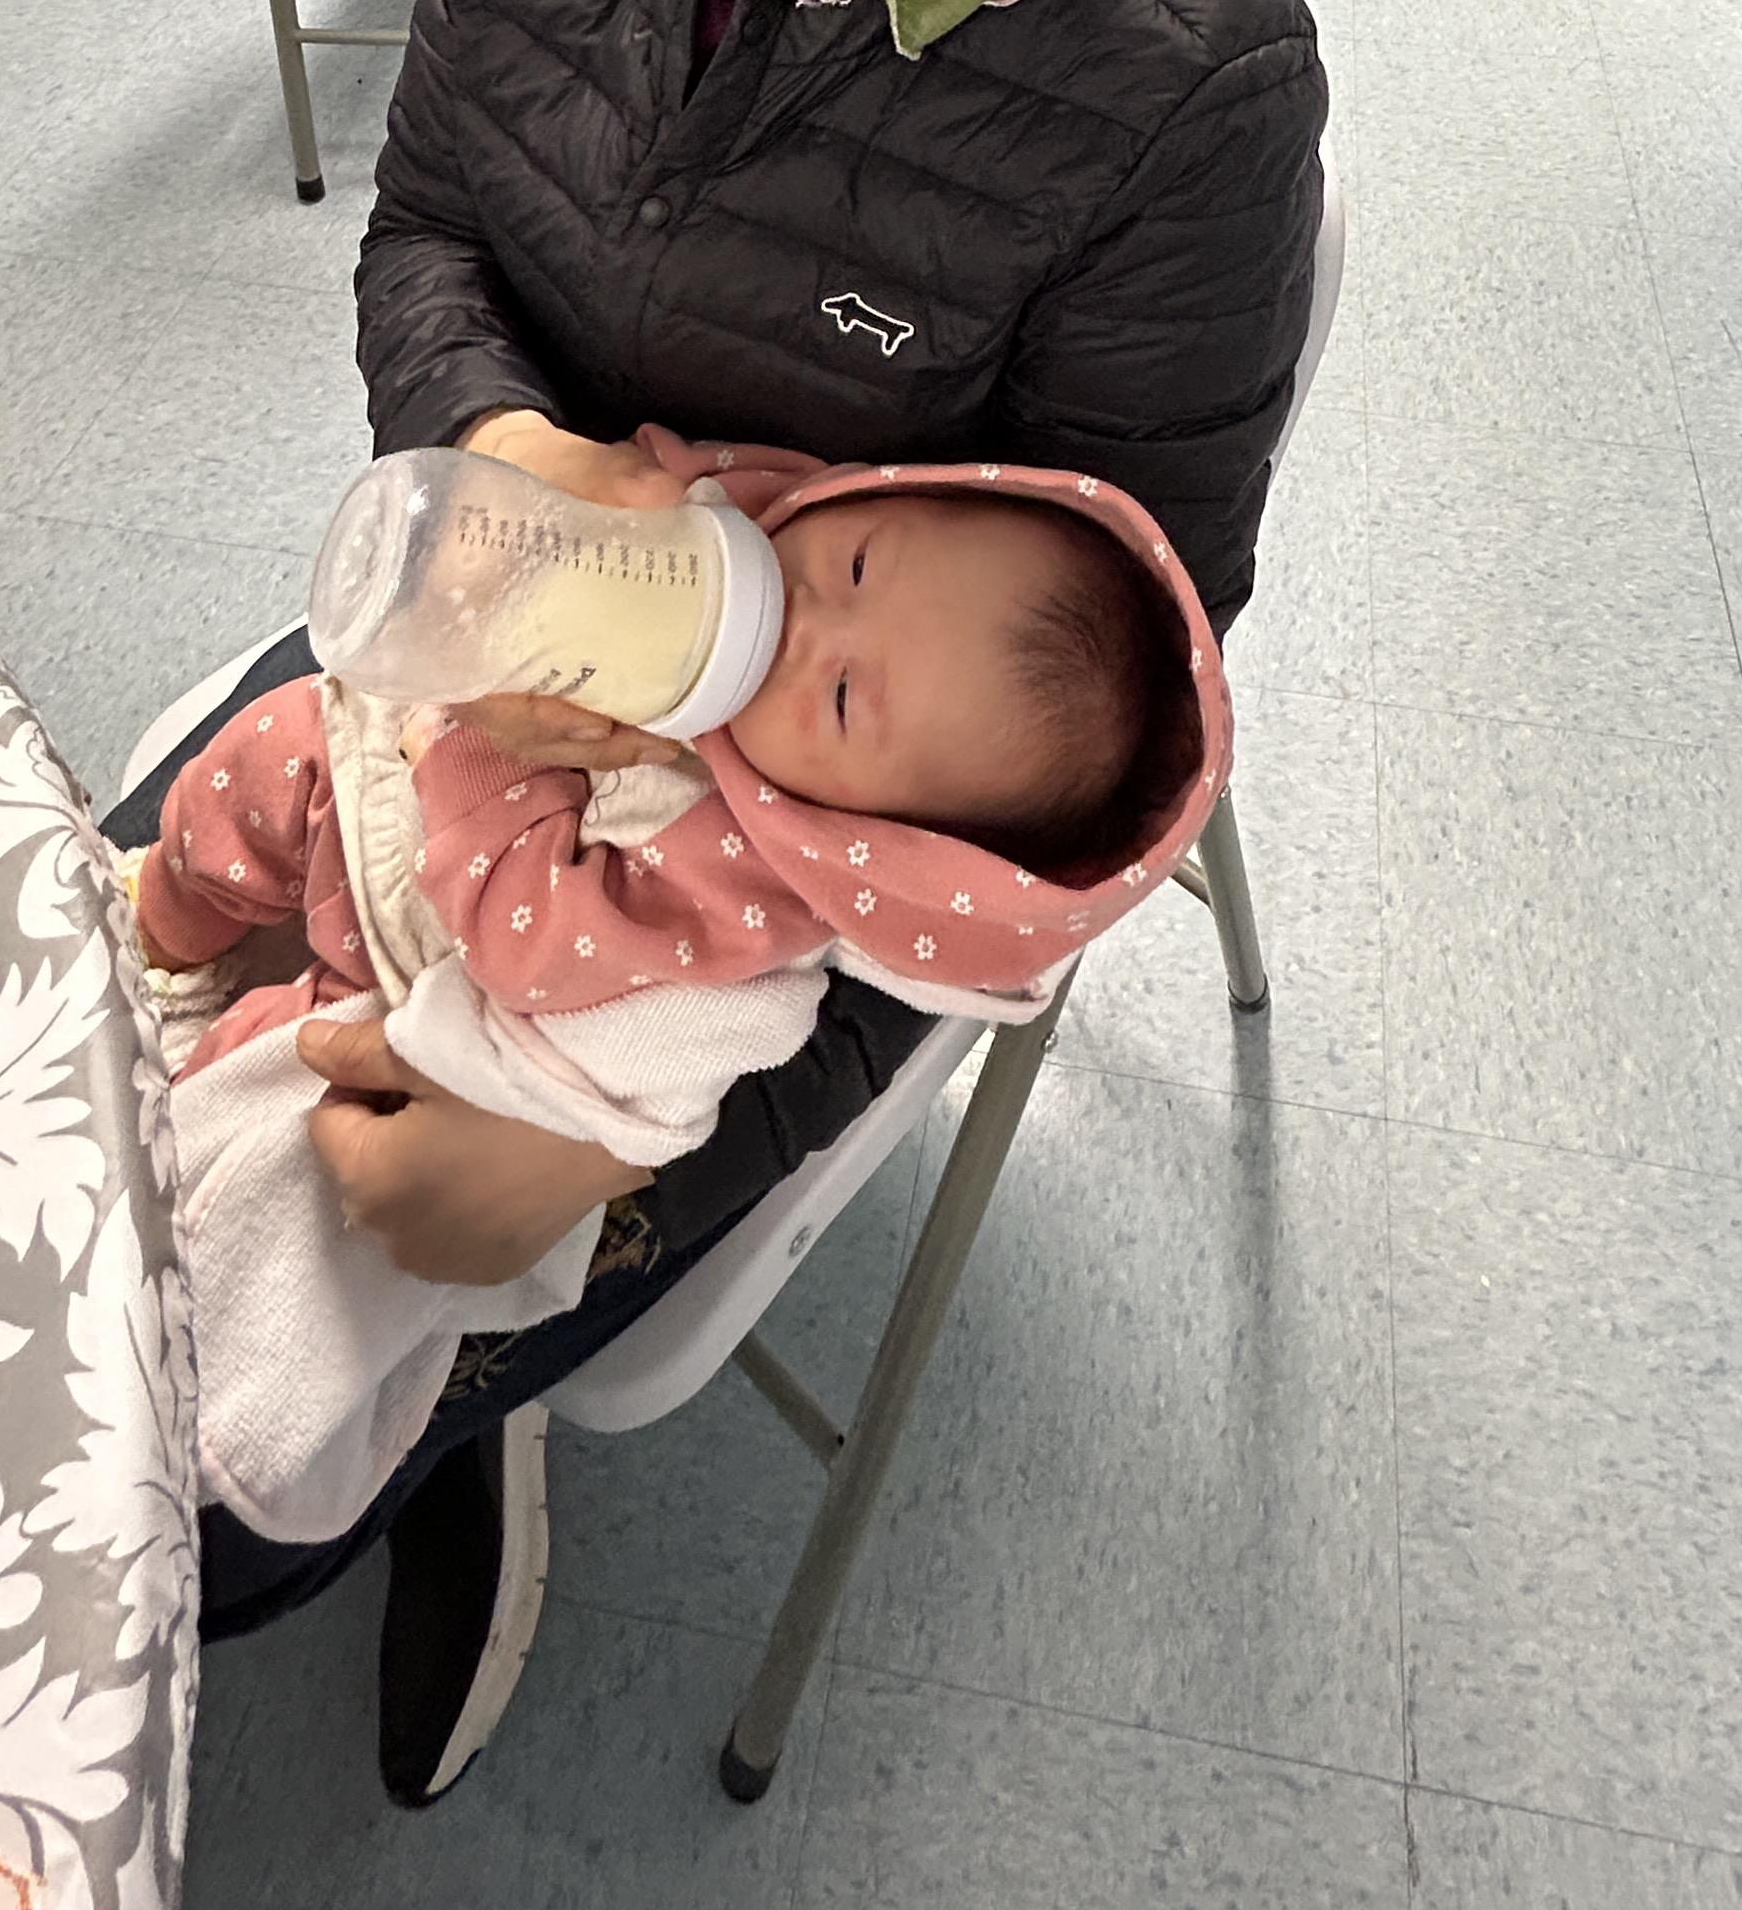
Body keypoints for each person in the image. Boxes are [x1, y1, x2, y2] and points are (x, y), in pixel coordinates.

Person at [106, 0, 1325, 1806]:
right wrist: (505, 449)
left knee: (206, 1506)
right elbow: (433, 225)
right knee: (46, 1057)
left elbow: (1048, 773)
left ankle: (468, 1426)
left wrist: (604, 1167)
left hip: (773, 894)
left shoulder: (1185, 92)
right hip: (488, 648)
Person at [130, 459, 1218, 1546]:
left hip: (406, 931)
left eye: (843, 698)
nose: (803, 620)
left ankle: (173, 1053)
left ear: (874, 838)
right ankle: (162, 940)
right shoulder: (744, 521)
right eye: (857, 561)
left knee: (285, 1070)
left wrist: (470, 756)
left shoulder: (733, 876)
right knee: (239, 784)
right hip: (365, 749)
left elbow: (532, 944)